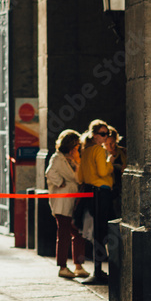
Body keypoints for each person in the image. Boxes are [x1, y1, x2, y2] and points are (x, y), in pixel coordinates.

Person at [45, 130, 88, 279]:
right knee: (64, 234)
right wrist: (60, 182)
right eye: (76, 146)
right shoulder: (57, 158)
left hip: (73, 201)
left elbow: (79, 178)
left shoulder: (73, 159)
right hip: (62, 202)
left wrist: (77, 162)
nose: (78, 149)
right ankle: (63, 266)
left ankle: (78, 265)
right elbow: (50, 172)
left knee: (77, 233)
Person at [79, 119, 115, 285]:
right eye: (102, 134)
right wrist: (110, 164)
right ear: (94, 135)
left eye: (106, 134)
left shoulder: (85, 150)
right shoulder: (99, 151)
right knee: (103, 230)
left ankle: (98, 269)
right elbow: (102, 171)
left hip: (90, 191)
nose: (105, 137)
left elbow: (80, 176)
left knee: (97, 231)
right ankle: (99, 270)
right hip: (102, 191)